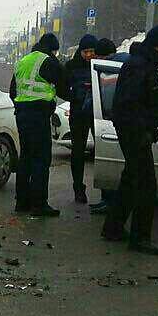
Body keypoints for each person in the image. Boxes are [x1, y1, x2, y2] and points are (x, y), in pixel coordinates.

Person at [100, 25, 158, 255]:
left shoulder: (143, 64)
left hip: (137, 131)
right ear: (156, 44)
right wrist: (142, 130)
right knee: (146, 186)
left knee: (131, 179)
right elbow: (130, 103)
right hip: (135, 132)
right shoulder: (140, 66)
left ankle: (113, 227)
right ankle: (140, 238)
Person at [9, 32, 68, 217]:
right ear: (53, 49)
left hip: (22, 115)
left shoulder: (23, 61)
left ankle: (22, 202)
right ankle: (39, 204)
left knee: (25, 158)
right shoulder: (48, 61)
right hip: (39, 116)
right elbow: (64, 84)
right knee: (41, 160)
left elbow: (13, 91)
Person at [64, 34, 99, 204]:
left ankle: (106, 192)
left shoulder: (100, 64)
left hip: (99, 115)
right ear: (81, 51)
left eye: (92, 51)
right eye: (86, 51)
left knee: (102, 152)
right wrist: (75, 96)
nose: (89, 54)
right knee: (78, 151)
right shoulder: (72, 66)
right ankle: (78, 188)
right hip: (79, 113)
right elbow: (62, 87)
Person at [88, 37, 121, 215]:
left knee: (108, 161)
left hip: (109, 122)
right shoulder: (125, 64)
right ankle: (108, 200)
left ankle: (109, 201)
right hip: (121, 123)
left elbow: (96, 99)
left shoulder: (106, 70)